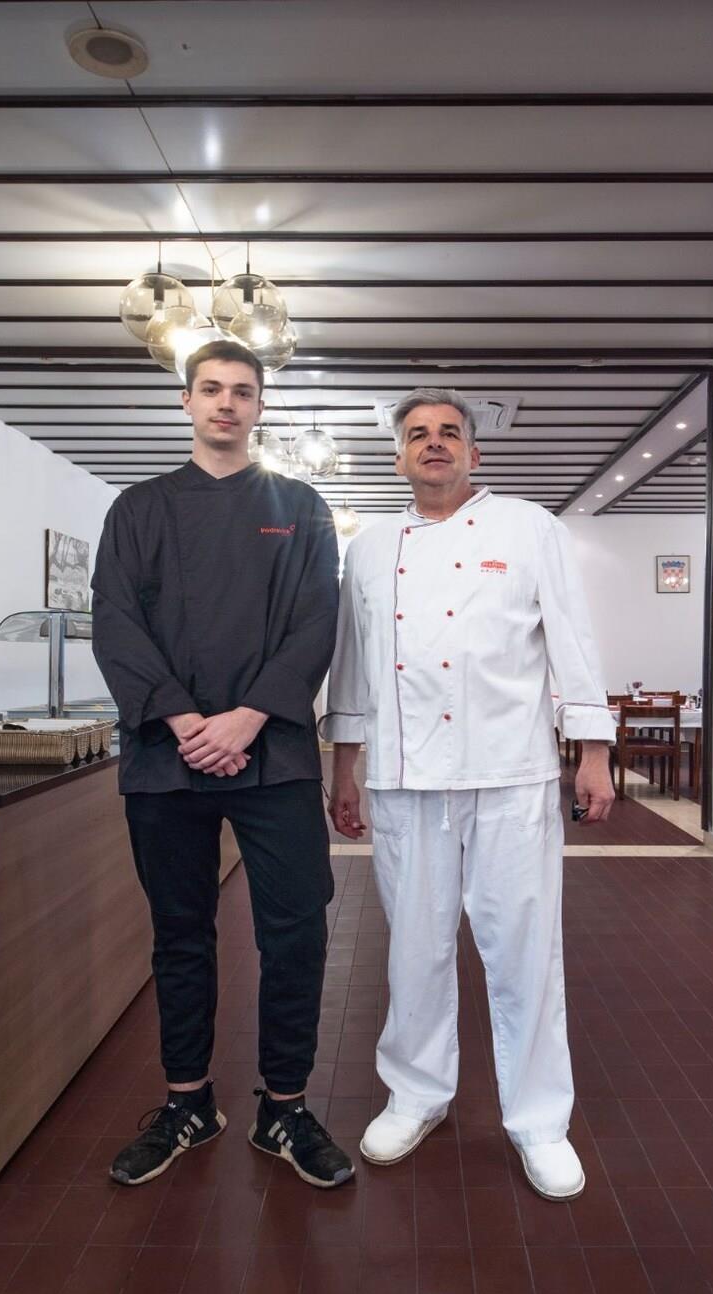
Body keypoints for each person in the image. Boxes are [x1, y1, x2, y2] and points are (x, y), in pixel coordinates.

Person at [323, 387, 616, 1201]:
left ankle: (539, 1120)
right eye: (418, 434)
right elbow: (352, 662)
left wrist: (594, 751)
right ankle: (415, 1093)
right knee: (414, 948)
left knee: (524, 950)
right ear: (398, 458)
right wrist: (344, 764)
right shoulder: (370, 549)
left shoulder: (529, 528)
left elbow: (572, 639)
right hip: (405, 776)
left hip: (511, 773)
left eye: (450, 432)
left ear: (475, 452)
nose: (435, 443)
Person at [91, 338, 354, 1190]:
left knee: (297, 928)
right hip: (165, 757)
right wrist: (183, 717)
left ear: (260, 406)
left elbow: (317, 622)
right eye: (211, 389)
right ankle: (187, 1102)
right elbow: (115, 623)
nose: (227, 403)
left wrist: (245, 718)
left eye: (243, 390)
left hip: (273, 751)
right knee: (179, 933)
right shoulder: (138, 509)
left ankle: (285, 1107)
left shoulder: (300, 505)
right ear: (187, 401)